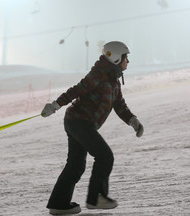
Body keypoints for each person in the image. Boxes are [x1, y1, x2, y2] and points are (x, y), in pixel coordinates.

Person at [41, 41, 144, 215]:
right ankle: (96, 198)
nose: (128, 61)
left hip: (81, 122)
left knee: (75, 165)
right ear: (117, 58)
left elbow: (119, 105)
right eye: (126, 57)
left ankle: (59, 204)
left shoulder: (114, 82)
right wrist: (55, 105)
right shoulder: (98, 75)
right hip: (79, 121)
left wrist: (133, 120)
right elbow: (77, 90)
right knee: (105, 156)